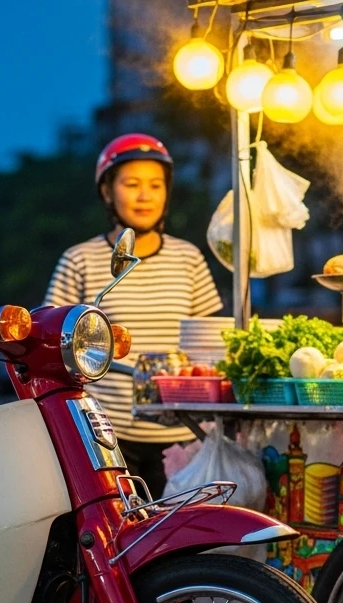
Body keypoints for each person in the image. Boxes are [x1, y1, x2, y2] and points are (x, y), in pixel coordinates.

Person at [45, 133, 223, 497]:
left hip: (183, 437)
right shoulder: (80, 259)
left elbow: (211, 345)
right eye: (132, 184)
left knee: (182, 547)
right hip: (105, 438)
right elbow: (50, 341)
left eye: (155, 185)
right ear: (108, 192)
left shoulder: (188, 258)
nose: (145, 195)